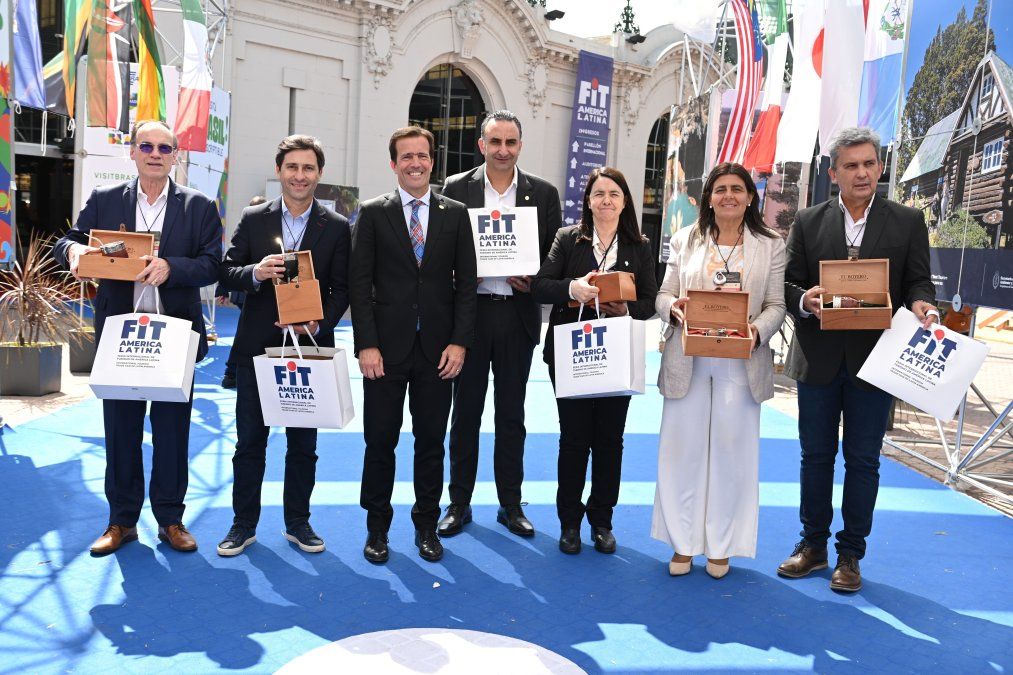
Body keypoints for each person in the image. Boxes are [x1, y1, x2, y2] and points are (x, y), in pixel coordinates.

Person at [779, 127, 938, 592]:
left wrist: (923, 305)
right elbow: (787, 285)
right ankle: (811, 547)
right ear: (834, 173)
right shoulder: (808, 222)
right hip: (819, 358)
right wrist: (804, 300)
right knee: (815, 458)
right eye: (851, 165)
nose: (862, 172)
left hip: (877, 360)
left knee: (864, 460)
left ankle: (850, 555)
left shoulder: (907, 221)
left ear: (880, 167)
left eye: (869, 163)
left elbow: (918, 283)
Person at [54, 119, 222, 554]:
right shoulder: (106, 200)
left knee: (172, 434)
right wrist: (76, 252)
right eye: (146, 145)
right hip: (121, 337)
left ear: (175, 156)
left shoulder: (198, 206)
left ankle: (171, 519)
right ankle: (121, 521)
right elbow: (69, 241)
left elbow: (212, 264)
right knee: (121, 431)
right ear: (132, 152)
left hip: (175, 336)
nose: (154, 154)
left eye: (164, 148)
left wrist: (172, 268)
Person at [216, 136, 350, 556]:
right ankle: (243, 524)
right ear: (279, 171)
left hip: (308, 347)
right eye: (292, 167)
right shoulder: (255, 218)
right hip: (258, 348)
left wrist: (320, 320)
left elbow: (343, 287)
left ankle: (298, 522)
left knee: (302, 445)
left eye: (308, 168)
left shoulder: (337, 226)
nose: (299, 175)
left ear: (319, 174)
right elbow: (226, 272)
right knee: (250, 441)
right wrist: (255, 272)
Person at [651, 163, 786, 579]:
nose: (729, 195)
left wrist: (755, 333)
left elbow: (776, 306)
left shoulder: (771, 245)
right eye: (721, 189)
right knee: (681, 451)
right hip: (688, 356)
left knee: (733, 453)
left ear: (750, 196)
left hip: (741, 361)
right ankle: (682, 544)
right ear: (709, 197)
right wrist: (672, 310)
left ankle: (721, 546)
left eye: (737, 189)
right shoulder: (684, 239)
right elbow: (664, 294)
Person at [350, 126, 477, 563]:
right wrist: (366, 344)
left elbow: (466, 288)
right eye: (406, 157)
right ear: (394, 163)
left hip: (438, 353)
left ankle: (426, 527)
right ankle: (377, 530)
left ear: (432, 161)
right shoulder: (371, 213)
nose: (415, 163)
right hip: (384, 352)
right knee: (379, 443)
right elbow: (359, 284)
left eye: (422, 156)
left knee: (430, 443)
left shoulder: (455, 214)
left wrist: (460, 343)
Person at [437, 110, 562, 538]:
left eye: (510, 143)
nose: (503, 150)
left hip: (517, 314)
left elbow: (553, 256)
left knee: (512, 415)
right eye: (495, 142)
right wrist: (456, 274)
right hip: (468, 318)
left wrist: (534, 278)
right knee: (465, 414)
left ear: (520, 146)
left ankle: (510, 503)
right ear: (482, 145)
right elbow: (441, 253)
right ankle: (458, 503)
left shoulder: (542, 193)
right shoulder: (456, 188)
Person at [530, 166, 658, 555]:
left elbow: (651, 300)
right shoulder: (568, 239)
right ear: (587, 200)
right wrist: (575, 289)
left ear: (624, 201)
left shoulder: (638, 244)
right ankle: (569, 522)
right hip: (574, 353)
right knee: (573, 440)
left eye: (614, 194)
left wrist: (626, 308)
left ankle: (601, 521)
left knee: (609, 442)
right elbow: (540, 286)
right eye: (599, 194)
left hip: (617, 353)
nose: (606, 201)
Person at [220, 195, 267, 389]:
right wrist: (223, 289)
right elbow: (231, 262)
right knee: (244, 332)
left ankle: (232, 373)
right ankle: (232, 372)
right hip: (246, 289)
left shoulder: (266, 228)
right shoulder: (249, 226)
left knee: (244, 331)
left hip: (253, 291)